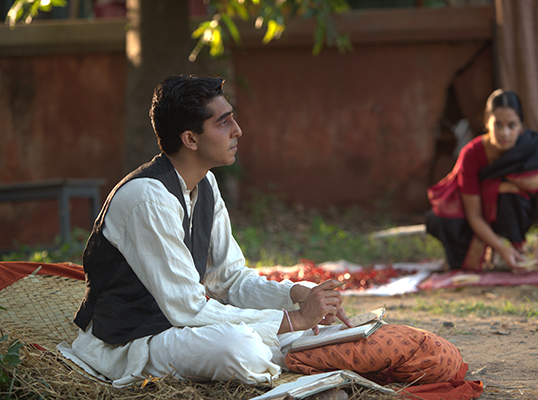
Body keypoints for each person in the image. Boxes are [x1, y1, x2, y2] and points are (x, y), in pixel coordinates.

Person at [60, 75, 351, 387]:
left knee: (312, 324)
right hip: (130, 344)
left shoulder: (206, 185)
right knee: (241, 348)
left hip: (179, 328)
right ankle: (290, 357)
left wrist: (294, 294)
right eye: (223, 122)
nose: (237, 130)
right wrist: (294, 319)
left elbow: (230, 279)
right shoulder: (147, 199)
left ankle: (294, 348)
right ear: (191, 139)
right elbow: (189, 308)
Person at [426, 89, 538, 272]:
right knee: (441, 219)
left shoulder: (534, 153)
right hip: (480, 217)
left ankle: (517, 244)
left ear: (521, 127)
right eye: (498, 125)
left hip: (521, 211)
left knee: (507, 189)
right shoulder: (471, 154)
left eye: (512, 126)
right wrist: (500, 247)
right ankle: (494, 247)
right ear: (486, 123)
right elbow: (474, 214)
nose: (505, 133)